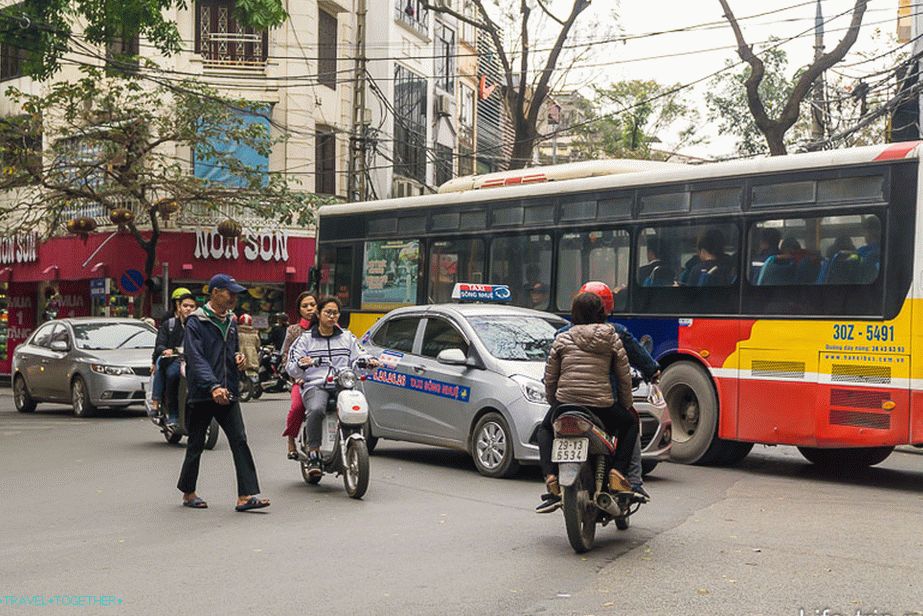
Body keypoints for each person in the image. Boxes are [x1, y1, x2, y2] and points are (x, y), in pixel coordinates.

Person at [535, 281, 658, 513]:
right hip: (602, 404)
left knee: (545, 429)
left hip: (566, 404)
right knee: (630, 422)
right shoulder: (613, 335)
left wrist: (556, 404)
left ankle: (551, 476)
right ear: (604, 310)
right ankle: (620, 474)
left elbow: (550, 377)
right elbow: (624, 376)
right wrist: (625, 404)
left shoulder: (561, 337)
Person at [177, 274, 270, 512]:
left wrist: (236, 359)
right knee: (196, 443)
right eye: (230, 293)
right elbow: (196, 359)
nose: (233, 298)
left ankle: (246, 495)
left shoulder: (230, 321)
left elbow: (229, 352)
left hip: (227, 392)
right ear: (215, 292)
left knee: (239, 439)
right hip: (203, 393)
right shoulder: (196, 322)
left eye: (235, 294)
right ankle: (189, 493)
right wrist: (212, 386)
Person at [286, 297, 378, 477]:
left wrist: (370, 361)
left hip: (342, 384)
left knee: (356, 407)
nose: (332, 316)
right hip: (316, 385)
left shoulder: (347, 337)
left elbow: (360, 354)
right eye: (328, 312)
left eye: (335, 313)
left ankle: (351, 441)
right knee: (316, 409)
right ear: (319, 314)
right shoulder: (305, 340)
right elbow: (291, 366)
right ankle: (314, 452)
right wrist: (303, 364)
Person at [150, 288, 197, 425]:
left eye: (192, 306)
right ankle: (172, 412)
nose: (188, 309)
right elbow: (159, 345)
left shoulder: (202, 325)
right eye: (185, 306)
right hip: (176, 361)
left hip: (196, 361)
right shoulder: (169, 324)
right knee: (172, 375)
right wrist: (166, 351)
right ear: (179, 307)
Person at [281, 291, 318, 459]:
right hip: (302, 381)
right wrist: (296, 375)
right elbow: (285, 357)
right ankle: (291, 441)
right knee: (297, 408)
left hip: (327, 380)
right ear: (299, 310)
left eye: (313, 304)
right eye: (305, 306)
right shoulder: (294, 331)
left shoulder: (333, 328)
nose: (310, 308)